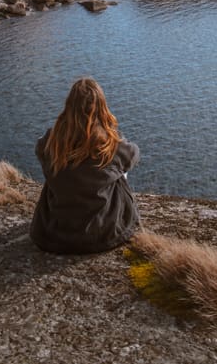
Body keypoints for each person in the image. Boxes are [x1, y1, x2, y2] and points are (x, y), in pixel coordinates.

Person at [30, 77, 140, 254]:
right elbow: (134, 154)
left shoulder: (52, 140)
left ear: (69, 106)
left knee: (56, 170)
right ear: (102, 107)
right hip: (104, 234)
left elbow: (39, 150)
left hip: (56, 234)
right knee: (120, 172)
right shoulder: (109, 143)